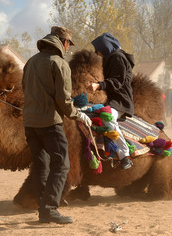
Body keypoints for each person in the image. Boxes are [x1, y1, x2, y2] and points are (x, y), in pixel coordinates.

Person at [22, 26, 92, 224]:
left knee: (41, 164)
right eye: (68, 43)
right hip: (49, 123)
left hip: (29, 123)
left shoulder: (31, 61)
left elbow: (25, 90)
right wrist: (77, 114)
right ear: (63, 42)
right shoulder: (59, 63)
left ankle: (43, 206)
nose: (68, 48)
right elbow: (63, 99)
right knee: (61, 165)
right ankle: (50, 209)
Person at [89, 32, 135, 170]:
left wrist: (99, 85)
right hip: (112, 100)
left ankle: (124, 155)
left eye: (98, 49)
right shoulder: (111, 59)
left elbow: (117, 81)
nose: (96, 53)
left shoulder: (118, 58)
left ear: (105, 47)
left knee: (106, 116)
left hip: (121, 102)